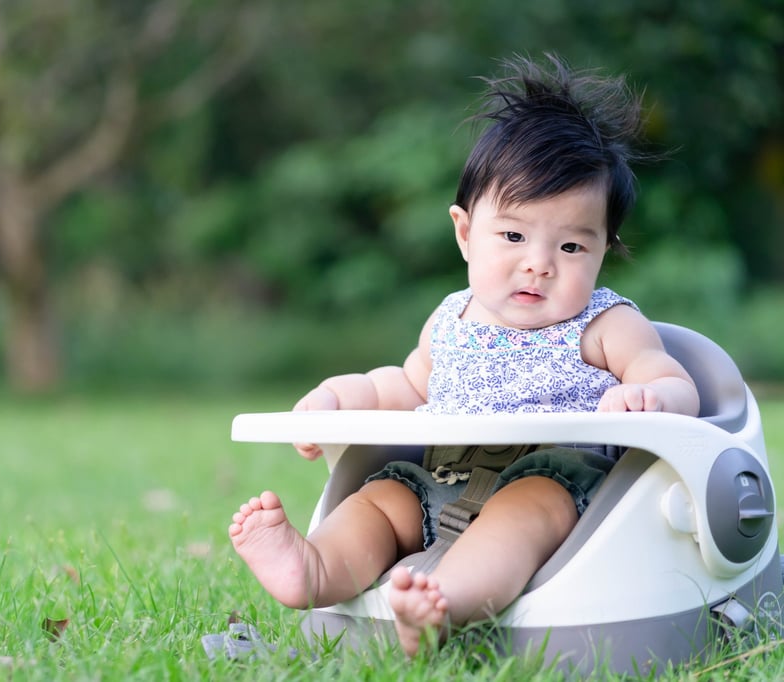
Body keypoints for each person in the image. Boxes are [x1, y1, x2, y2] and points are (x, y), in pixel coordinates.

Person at [227, 54, 700, 657]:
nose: (539, 262)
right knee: (379, 501)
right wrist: (334, 400)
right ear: (464, 232)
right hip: (436, 480)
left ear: (605, 249)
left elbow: (675, 382)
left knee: (520, 518)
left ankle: (441, 604)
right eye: (513, 235)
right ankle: (314, 568)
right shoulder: (451, 320)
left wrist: (650, 393)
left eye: (573, 244)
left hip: (551, 481)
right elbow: (400, 384)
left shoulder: (606, 324)